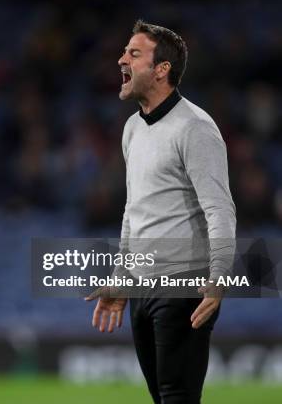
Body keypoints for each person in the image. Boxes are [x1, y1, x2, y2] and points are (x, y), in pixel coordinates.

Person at [85, 20, 236, 404]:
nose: (121, 59)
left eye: (134, 54)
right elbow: (133, 211)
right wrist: (122, 276)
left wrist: (219, 278)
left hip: (184, 283)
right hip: (142, 288)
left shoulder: (195, 128)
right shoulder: (133, 128)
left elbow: (220, 209)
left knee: (176, 398)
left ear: (161, 69)